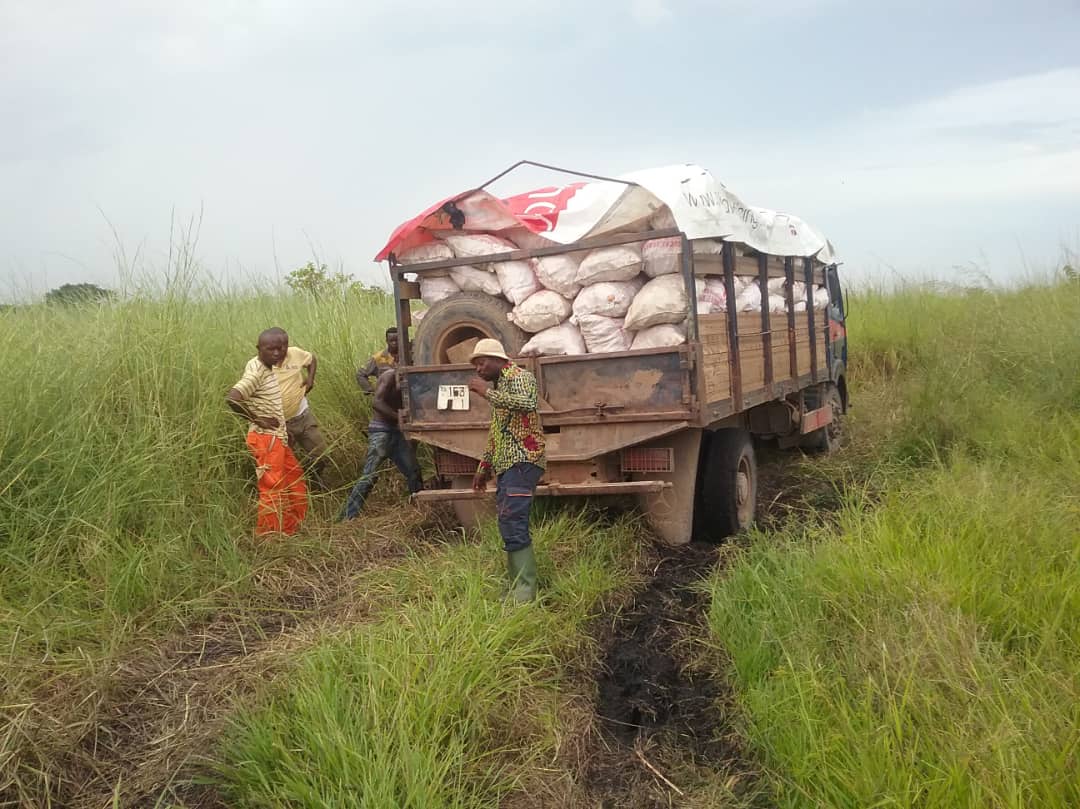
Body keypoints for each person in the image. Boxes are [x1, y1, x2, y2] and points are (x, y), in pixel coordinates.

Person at [467, 338, 546, 603]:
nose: (478, 369)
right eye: (476, 365)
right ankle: (517, 585)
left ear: (498, 360)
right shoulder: (501, 386)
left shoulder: (520, 377)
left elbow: (528, 403)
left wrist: (485, 393)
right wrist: (483, 467)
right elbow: (496, 433)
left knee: (513, 520)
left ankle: (525, 590)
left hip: (524, 461)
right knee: (507, 520)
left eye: (481, 363)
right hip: (508, 464)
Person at [227, 328, 308, 537]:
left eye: (281, 348)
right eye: (270, 349)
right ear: (259, 349)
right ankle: (269, 535)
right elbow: (233, 398)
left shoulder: (266, 366)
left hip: (277, 436)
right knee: (273, 486)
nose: (277, 353)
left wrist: (283, 430)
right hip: (266, 439)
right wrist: (257, 419)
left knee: (293, 477)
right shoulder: (257, 372)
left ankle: (291, 527)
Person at [339, 367, 423, 520]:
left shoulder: (413, 379)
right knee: (369, 476)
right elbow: (377, 403)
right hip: (381, 431)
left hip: (397, 432)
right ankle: (348, 517)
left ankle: (419, 510)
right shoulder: (389, 376)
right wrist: (398, 417)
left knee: (414, 472)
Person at [271, 329, 328, 488]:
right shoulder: (259, 366)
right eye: (275, 347)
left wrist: (310, 379)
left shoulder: (295, 353)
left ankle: (313, 480)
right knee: (283, 464)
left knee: (321, 455)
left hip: (303, 416)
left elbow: (312, 359)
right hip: (279, 424)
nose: (280, 351)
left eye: (283, 346)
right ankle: (293, 489)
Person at [356, 327, 399, 394]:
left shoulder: (409, 355)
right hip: (386, 395)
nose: (394, 343)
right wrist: (369, 389)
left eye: (397, 340)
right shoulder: (378, 358)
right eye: (391, 341)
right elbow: (360, 374)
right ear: (387, 341)